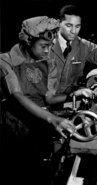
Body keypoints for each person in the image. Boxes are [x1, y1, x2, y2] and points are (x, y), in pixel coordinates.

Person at [0, 16, 76, 185]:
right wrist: (53, 119)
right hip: (14, 127)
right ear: (28, 40)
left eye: (50, 46)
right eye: (44, 46)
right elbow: (17, 95)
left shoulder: (48, 63)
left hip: (39, 122)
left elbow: (49, 97)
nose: (48, 51)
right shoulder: (5, 61)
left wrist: (74, 95)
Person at [45, 4, 97, 110]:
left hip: (69, 107)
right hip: (41, 107)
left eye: (77, 26)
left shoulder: (84, 46)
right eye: (69, 26)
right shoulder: (44, 44)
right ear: (58, 23)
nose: (74, 31)